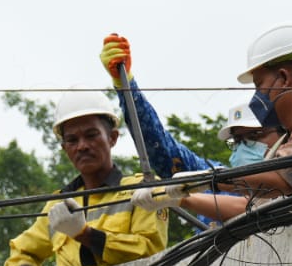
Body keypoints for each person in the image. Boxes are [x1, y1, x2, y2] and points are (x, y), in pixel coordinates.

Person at [132, 22, 292, 221]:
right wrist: (180, 197)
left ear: (283, 78)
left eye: (259, 84)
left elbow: (282, 181)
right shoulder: (288, 141)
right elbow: (251, 206)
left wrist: (211, 177)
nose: (257, 96)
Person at [4, 89, 169, 266]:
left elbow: (150, 251)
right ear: (64, 149)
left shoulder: (142, 190)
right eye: (72, 140)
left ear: (112, 137)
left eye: (91, 135)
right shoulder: (58, 204)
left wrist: (86, 235)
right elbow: (21, 251)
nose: (82, 146)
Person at [99, 33, 282, 173]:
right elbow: (164, 152)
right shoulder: (222, 187)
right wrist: (125, 84)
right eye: (237, 141)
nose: (243, 150)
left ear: (285, 135)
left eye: (255, 136)